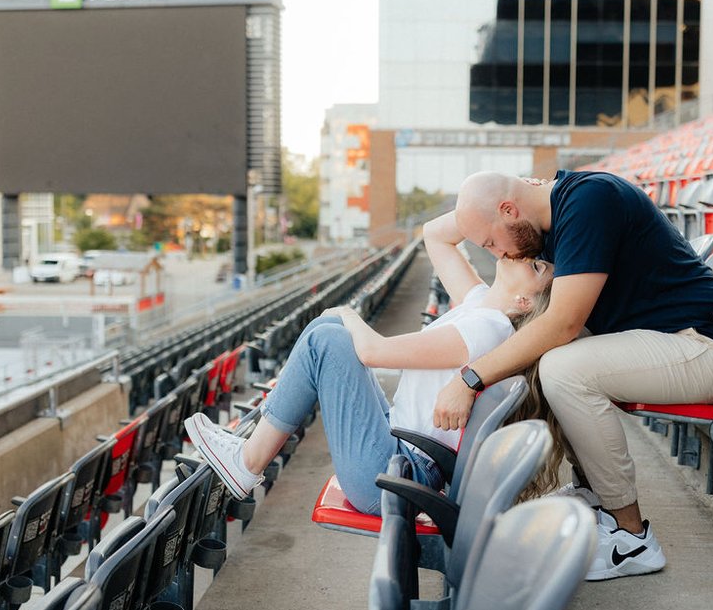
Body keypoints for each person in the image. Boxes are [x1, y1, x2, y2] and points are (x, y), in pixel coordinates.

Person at [435, 169, 713, 581]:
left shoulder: (589, 200)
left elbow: (564, 323)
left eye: (492, 242)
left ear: (509, 210)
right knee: (535, 348)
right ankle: (591, 494)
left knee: (562, 365)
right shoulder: (543, 214)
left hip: (706, 347)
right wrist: (479, 207)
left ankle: (631, 538)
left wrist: (468, 379)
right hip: (667, 341)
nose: (500, 256)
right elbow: (439, 228)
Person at [184, 212, 553, 516]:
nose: (526, 254)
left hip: (394, 475)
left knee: (327, 337)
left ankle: (247, 463)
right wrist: (506, 211)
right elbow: (436, 235)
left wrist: (349, 313)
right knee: (328, 328)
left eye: (536, 265)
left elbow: (374, 352)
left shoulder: (488, 329)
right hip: (399, 455)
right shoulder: (481, 305)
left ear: (524, 302)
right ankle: (249, 453)